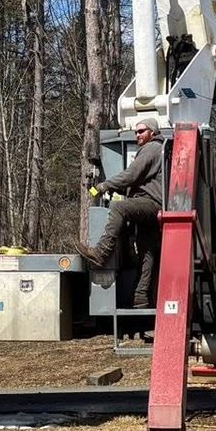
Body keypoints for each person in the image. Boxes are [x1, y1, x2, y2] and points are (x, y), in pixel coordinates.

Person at [77, 118, 165, 309]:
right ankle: (141, 298)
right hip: (153, 204)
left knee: (120, 208)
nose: (137, 134)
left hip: (151, 204)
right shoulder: (158, 149)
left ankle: (101, 253)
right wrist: (121, 190)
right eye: (136, 132)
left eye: (141, 131)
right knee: (146, 254)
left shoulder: (151, 149)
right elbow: (138, 180)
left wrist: (105, 185)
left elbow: (131, 175)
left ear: (152, 132)